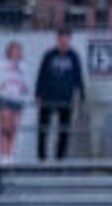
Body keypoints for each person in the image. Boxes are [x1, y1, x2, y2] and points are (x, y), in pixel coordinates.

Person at [35, 31, 84, 161]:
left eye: (66, 39)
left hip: (66, 99)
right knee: (43, 129)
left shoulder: (73, 57)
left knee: (64, 130)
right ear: (57, 40)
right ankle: (42, 157)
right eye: (61, 39)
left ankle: (60, 158)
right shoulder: (49, 55)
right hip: (48, 97)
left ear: (69, 40)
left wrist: (81, 95)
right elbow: (41, 75)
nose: (63, 42)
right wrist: (38, 94)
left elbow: (78, 77)